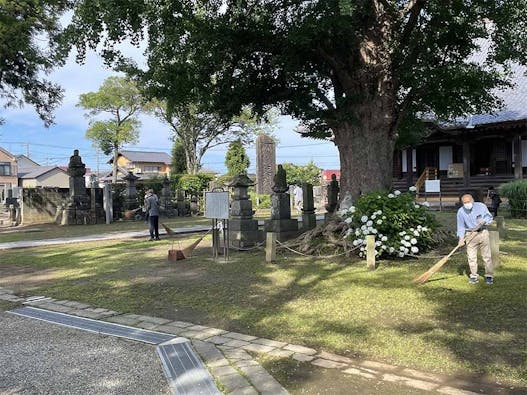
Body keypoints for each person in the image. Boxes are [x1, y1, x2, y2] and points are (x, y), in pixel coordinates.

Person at [457, 193, 494, 284]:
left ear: (472, 200)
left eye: (468, 201)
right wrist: (461, 238)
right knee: (471, 257)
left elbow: (489, 217)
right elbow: (460, 226)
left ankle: (489, 275)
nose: (467, 204)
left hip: (483, 232)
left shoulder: (481, 206)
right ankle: (474, 276)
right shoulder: (461, 212)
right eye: (465, 202)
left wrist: (484, 221)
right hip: (470, 235)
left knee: (486, 256)